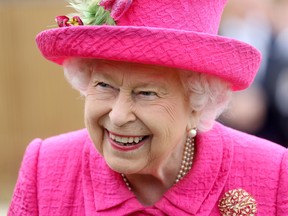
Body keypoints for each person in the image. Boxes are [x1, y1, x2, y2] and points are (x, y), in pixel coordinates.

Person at [8, 0, 288, 215]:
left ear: (197, 103)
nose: (118, 116)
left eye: (146, 93)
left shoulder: (274, 174)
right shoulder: (44, 168)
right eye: (104, 86)